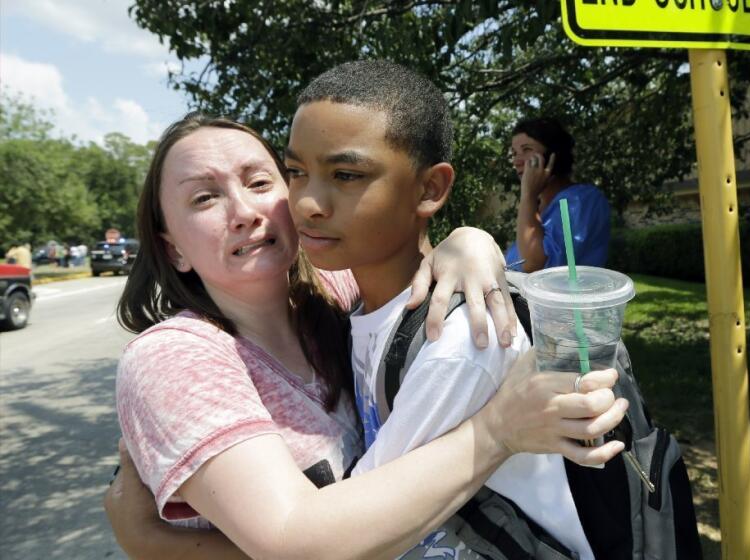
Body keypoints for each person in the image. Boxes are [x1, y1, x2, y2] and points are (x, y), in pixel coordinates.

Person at [107, 111, 626, 559]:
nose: (244, 213)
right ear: (171, 247)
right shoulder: (175, 359)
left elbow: (399, 245)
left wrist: (468, 242)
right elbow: (293, 540)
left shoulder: (333, 295)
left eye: (261, 183)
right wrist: (496, 432)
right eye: (204, 198)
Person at [505, 117, 611, 273]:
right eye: (514, 153)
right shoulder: (537, 210)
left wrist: (527, 195)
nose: (516, 161)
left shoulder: (581, 201)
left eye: (526, 149)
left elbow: (532, 265)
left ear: (553, 155)